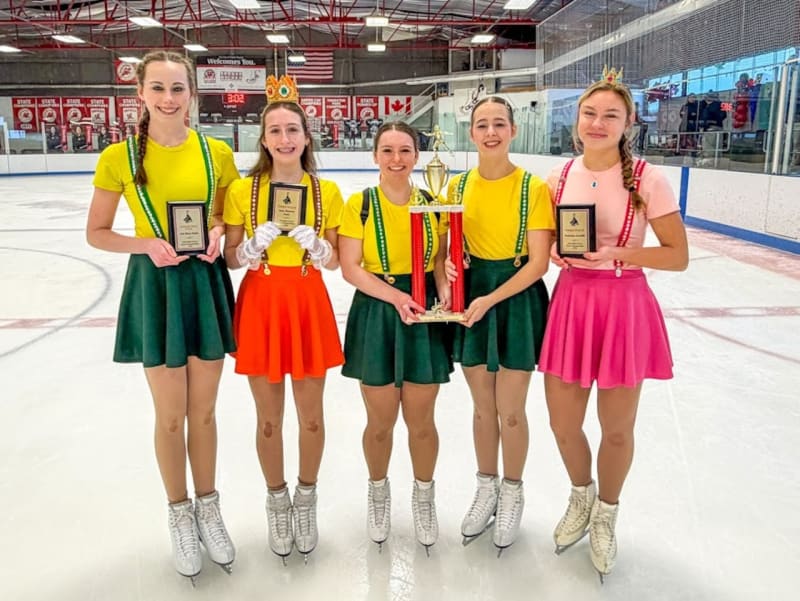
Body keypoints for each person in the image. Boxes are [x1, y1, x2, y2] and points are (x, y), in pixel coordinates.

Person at [86, 50, 240, 584]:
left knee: (205, 412)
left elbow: (226, 218)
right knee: (171, 415)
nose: (169, 99)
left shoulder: (217, 152)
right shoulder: (119, 157)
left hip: (203, 284)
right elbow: (97, 232)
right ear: (141, 94)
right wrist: (145, 244)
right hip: (156, 287)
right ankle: (179, 513)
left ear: (192, 94)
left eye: (178, 88)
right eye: (158, 88)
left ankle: (209, 507)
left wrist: (218, 232)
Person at [538, 72, 688, 581]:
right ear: (577, 120)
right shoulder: (558, 178)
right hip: (572, 303)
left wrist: (620, 252)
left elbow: (678, 255)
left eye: (610, 116)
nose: (597, 123)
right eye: (590, 113)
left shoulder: (648, 179)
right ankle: (581, 496)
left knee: (617, 429)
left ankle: (606, 512)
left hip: (623, 305)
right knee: (563, 424)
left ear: (628, 123)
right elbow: (547, 242)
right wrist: (556, 252)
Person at [222, 77, 344, 564]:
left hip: (308, 300)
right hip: (262, 302)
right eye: (275, 130)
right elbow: (230, 258)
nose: (285, 138)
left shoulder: (326, 190)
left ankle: (306, 499)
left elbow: (336, 262)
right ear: (264, 139)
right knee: (268, 420)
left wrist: (320, 248)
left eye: (293, 129)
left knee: (311, 416)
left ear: (306, 137)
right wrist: (250, 248)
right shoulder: (242, 190)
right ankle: (277, 500)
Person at [338, 121, 452, 553]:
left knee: (422, 421)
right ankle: (378, 494)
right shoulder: (360, 205)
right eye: (387, 150)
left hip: (423, 313)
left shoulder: (433, 205)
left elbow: (439, 262)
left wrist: (446, 290)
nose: (396, 159)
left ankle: (424, 497)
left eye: (405, 150)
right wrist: (397, 297)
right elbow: (351, 268)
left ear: (417, 157)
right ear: (375, 156)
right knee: (380, 421)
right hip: (378, 312)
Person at [446, 96, 553, 554]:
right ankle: (486, 486)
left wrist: (490, 299)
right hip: (472, 296)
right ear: (471, 133)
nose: (490, 132)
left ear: (513, 130)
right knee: (481, 408)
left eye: (498, 124)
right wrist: (445, 268)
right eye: (482, 125)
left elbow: (538, 263)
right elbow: (444, 248)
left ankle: (512, 491)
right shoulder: (455, 186)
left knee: (511, 409)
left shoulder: (533, 188)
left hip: (513, 298)